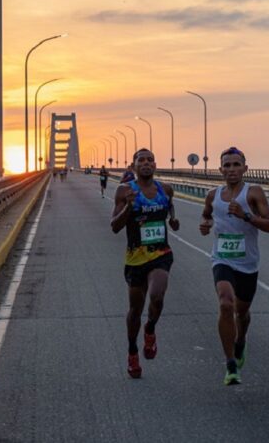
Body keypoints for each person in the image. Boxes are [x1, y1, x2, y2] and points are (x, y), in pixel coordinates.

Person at [199, 147, 269, 385]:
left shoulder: (253, 193)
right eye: (227, 165)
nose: (232, 169)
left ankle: (241, 339)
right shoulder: (213, 195)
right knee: (225, 303)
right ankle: (230, 363)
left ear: (245, 168)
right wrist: (205, 224)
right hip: (222, 258)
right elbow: (206, 215)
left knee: (241, 312)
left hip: (248, 263)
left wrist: (246, 216)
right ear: (220, 169)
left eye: (236, 164)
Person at [111, 148, 180, 378]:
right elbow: (114, 226)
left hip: (161, 253)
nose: (147, 163)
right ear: (134, 166)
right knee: (135, 310)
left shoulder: (165, 189)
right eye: (142, 160)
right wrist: (129, 208)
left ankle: (150, 329)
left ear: (155, 165)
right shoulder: (125, 191)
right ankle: (132, 351)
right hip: (135, 258)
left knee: (157, 296)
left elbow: (169, 205)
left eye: (150, 159)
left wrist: (173, 220)